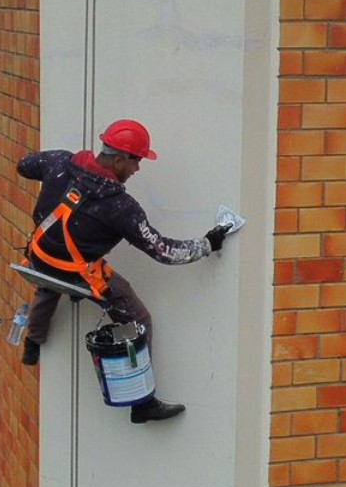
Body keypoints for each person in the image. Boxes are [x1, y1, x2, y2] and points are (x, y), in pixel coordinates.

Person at [17, 118, 231, 423]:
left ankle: (32, 342)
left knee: (49, 282)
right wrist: (208, 244)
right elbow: (163, 251)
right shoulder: (120, 207)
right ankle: (141, 403)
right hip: (77, 272)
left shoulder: (59, 162)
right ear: (118, 159)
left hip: (41, 259)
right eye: (136, 161)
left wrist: (53, 178)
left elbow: (24, 165)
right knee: (138, 317)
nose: (137, 169)